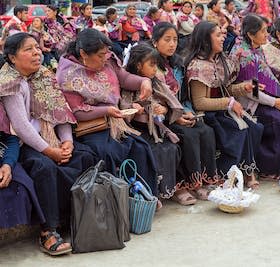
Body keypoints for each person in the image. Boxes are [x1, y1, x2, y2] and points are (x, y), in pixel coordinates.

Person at [0, 33, 97, 256]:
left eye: (37, 48)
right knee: (44, 167)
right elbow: (21, 126)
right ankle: (48, 231)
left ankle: (77, 219)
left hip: (50, 137)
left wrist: (67, 142)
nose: (37, 53)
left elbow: (59, 112)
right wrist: (49, 151)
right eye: (29, 50)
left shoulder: (43, 75)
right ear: (12, 58)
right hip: (24, 143)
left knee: (86, 156)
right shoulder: (9, 82)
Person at [56, 29, 159, 197]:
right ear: (83, 53)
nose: (105, 59)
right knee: (108, 153)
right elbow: (78, 111)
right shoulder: (68, 74)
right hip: (91, 127)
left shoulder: (108, 59)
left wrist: (144, 82)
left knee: (140, 148)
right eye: (100, 55)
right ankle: (117, 201)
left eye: (105, 54)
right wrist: (107, 110)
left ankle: (144, 198)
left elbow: (124, 78)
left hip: (115, 122)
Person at [186, 21, 263, 188]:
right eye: (218, 35)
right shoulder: (198, 66)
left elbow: (225, 88)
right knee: (237, 130)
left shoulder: (222, 60)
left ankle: (246, 170)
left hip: (225, 108)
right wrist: (229, 102)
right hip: (209, 113)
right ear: (206, 39)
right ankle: (228, 173)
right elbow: (200, 102)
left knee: (254, 127)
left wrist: (245, 87)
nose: (223, 38)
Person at [230, 14, 280, 177]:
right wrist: (273, 102)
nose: (267, 34)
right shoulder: (244, 54)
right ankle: (270, 168)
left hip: (265, 100)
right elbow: (250, 88)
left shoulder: (256, 49)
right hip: (252, 105)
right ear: (250, 34)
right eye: (263, 31)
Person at [152, 22, 219, 202]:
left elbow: (183, 97)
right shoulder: (151, 67)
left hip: (181, 113)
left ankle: (202, 181)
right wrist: (174, 117)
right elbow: (152, 101)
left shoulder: (177, 65)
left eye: (174, 39)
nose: (172, 44)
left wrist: (188, 112)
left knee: (206, 131)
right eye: (167, 40)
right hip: (160, 119)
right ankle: (182, 187)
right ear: (155, 42)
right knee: (186, 137)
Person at [123, 43, 182, 200]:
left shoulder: (155, 82)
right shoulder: (128, 84)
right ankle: (150, 193)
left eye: (156, 64)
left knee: (170, 148)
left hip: (156, 129)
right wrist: (134, 107)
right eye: (152, 64)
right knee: (152, 151)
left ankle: (166, 190)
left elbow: (169, 101)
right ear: (138, 65)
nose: (155, 68)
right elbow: (124, 107)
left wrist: (164, 109)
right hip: (137, 129)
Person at [0, 103, 45, 242]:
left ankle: (47, 230)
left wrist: (7, 164)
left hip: (3, 155)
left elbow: (11, 139)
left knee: (20, 186)